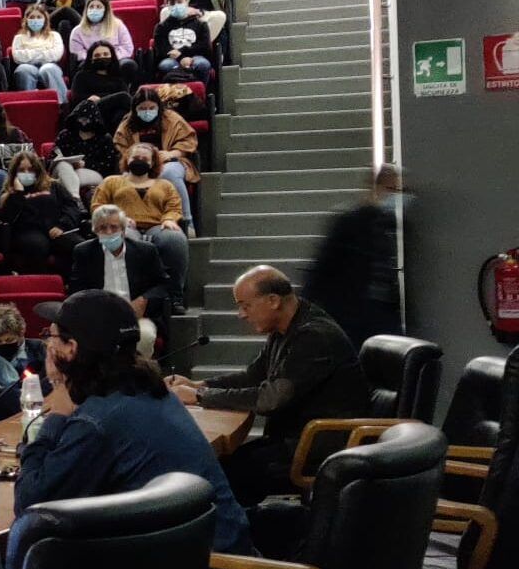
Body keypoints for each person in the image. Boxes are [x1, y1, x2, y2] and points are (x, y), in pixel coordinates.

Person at [25, 290, 270, 569]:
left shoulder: (98, 420)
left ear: (72, 349)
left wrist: (53, 419)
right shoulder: (151, 391)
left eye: (51, 336)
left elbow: (32, 503)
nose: (46, 345)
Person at [168, 266, 367, 506]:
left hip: (317, 448)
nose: (241, 314)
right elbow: (253, 376)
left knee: (222, 477)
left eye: (245, 305)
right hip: (294, 439)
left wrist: (200, 396)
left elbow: (269, 400)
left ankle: (234, 541)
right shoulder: (286, 327)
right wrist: (199, 384)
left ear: (273, 300)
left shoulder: (314, 336)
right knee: (220, 468)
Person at [303, 166, 404, 349]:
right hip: (351, 314)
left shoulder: (387, 223)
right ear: (375, 188)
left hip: (380, 313)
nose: (394, 196)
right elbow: (320, 267)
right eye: (390, 189)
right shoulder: (348, 221)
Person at [92, 143, 189, 310]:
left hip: (157, 225)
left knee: (175, 240)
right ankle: (129, 295)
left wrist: (170, 219)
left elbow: (174, 206)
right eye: (135, 158)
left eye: (144, 159)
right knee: (126, 240)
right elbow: (98, 206)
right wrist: (119, 217)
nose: (139, 161)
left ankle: (174, 296)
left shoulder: (165, 184)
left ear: (152, 163)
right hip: (123, 226)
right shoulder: (112, 181)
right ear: (127, 160)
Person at [71, 204, 169, 357]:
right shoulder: (84, 252)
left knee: (145, 336)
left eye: (114, 227)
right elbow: (77, 290)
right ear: (95, 231)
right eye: (103, 228)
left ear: (123, 230)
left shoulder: (145, 251)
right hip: (100, 317)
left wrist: (144, 300)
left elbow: (163, 284)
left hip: (137, 316)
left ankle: (139, 375)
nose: (109, 232)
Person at [116, 90, 199, 235]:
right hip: (139, 164)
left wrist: (171, 154)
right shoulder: (127, 124)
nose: (147, 112)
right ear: (135, 109)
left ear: (158, 107)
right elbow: (122, 147)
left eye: (151, 108)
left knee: (168, 172)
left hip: (171, 160)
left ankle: (187, 221)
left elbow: (188, 141)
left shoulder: (172, 118)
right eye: (142, 108)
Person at [0, 151, 85, 274]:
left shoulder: (53, 186)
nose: (26, 173)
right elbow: (6, 219)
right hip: (27, 232)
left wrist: (62, 225)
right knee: (37, 246)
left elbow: (71, 207)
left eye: (30, 169)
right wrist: (18, 194)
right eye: (22, 170)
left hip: (57, 228)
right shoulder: (8, 193)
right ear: (15, 173)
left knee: (81, 247)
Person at [68, 0, 135, 85]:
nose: (94, 10)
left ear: (106, 10)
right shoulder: (77, 31)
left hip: (115, 60)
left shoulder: (118, 25)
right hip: (91, 61)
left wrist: (110, 59)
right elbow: (77, 53)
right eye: (91, 7)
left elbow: (127, 47)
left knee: (128, 65)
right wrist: (95, 59)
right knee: (82, 67)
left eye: (99, 7)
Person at [153, 0, 216, 83]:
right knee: (166, 66)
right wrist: (180, 58)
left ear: (187, 2)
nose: (176, 5)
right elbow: (161, 49)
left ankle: (199, 93)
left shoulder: (200, 24)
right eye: (172, 3)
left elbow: (205, 46)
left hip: (196, 57)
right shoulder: (161, 27)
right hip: (172, 59)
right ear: (167, 7)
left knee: (202, 64)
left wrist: (182, 54)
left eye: (179, 2)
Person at [9, 4, 67, 102]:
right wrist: (44, 51)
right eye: (32, 17)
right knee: (23, 69)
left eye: (39, 17)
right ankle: (29, 103)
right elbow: (18, 57)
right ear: (26, 20)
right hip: (27, 66)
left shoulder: (54, 35)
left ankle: (61, 104)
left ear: (45, 19)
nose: (35, 20)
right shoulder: (19, 38)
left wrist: (30, 53)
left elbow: (56, 55)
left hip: (50, 65)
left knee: (47, 69)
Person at [68, 42, 134, 122]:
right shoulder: (81, 76)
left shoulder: (118, 76)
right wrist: (105, 97)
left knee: (122, 113)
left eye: (105, 54)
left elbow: (123, 96)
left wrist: (101, 97)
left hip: (112, 111)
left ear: (112, 57)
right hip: (90, 109)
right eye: (97, 55)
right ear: (91, 59)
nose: (102, 57)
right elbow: (77, 97)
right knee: (124, 97)